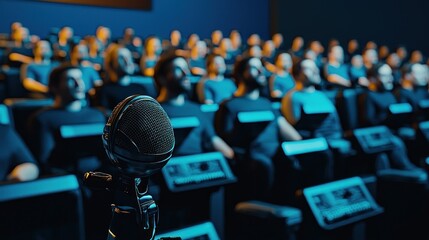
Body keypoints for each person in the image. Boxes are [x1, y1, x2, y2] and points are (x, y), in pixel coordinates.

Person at [215, 56, 301, 198]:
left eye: (261, 67)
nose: (261, 71)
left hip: (277, 157)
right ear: (241, 74)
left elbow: (291, 134)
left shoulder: (266, 103)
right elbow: (226, 144)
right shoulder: (229, 105)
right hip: (251, 163)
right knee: (264, 165)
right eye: (255, 68)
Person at [154, 52, 234, 159]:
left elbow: (216, 143)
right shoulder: (151, 111)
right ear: (161, 78)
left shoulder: (196, 109)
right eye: (178, 69)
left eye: (186, 68)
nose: (186, 73)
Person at [29, 64, 106, 170]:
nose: (78, 84)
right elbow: (45, 162)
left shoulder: (97, 115)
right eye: (71, 80)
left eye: (80, 78)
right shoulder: (43, 119)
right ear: (55, 87)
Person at [98, 44, 154, 110]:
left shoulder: (141, 89)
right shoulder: (105, 90)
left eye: (129, 57)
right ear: (112, 62)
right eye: (122, 58)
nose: (127, 62)